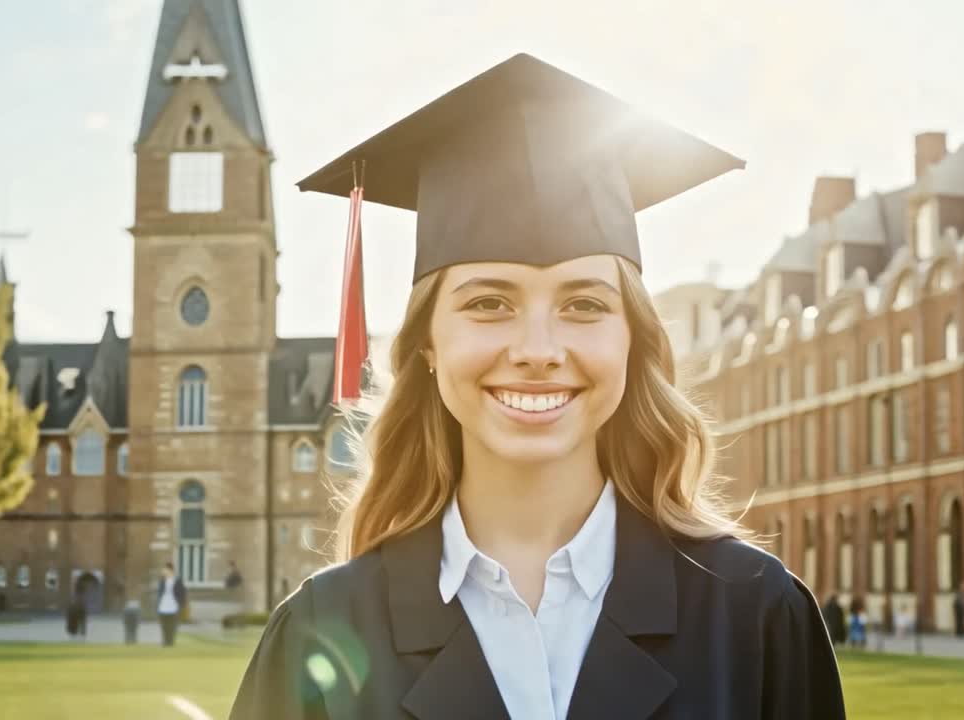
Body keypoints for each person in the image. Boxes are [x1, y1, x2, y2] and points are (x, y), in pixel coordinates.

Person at [229, 53, 846, 719]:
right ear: (427, 344)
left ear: (633, 340)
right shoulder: (319, 631)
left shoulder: (755, 618)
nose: (538, 351)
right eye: (489, 303)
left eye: (584, 305)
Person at [156, 563, 186, 648]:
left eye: (164, 569)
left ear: (170, 570)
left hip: (173, 604)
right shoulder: (162, 580)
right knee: (164, 624)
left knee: (172, 624)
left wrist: (181, 604)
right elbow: (160, 592)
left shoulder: (177, 580)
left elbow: (182, 593)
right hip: (163, 604)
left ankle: (170, 641)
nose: (163, 571)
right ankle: (165, 641)